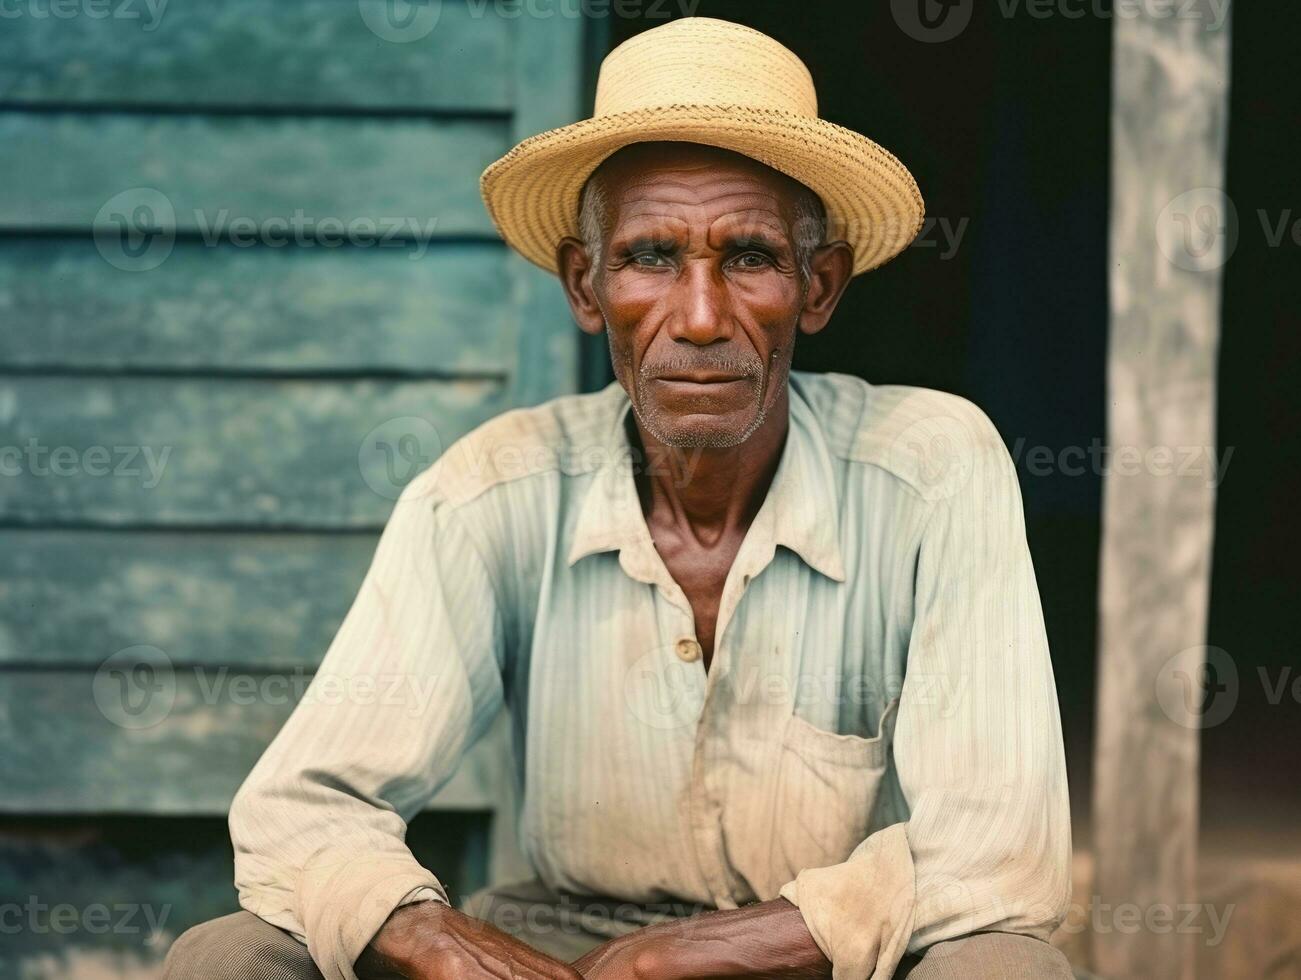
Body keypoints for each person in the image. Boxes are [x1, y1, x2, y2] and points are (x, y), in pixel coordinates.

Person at [165, 17, 1073, 980]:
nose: (699, 315)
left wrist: (680, 960)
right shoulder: (493, 493)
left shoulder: (930, 469)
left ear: (819, 286)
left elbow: (996, 853)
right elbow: (299, 811)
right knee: (229, 956)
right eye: (649, 257)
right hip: (568, 949)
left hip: (828, 957)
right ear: (584, 285)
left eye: (751, 257)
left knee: (1002, 969)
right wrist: (440, 940)